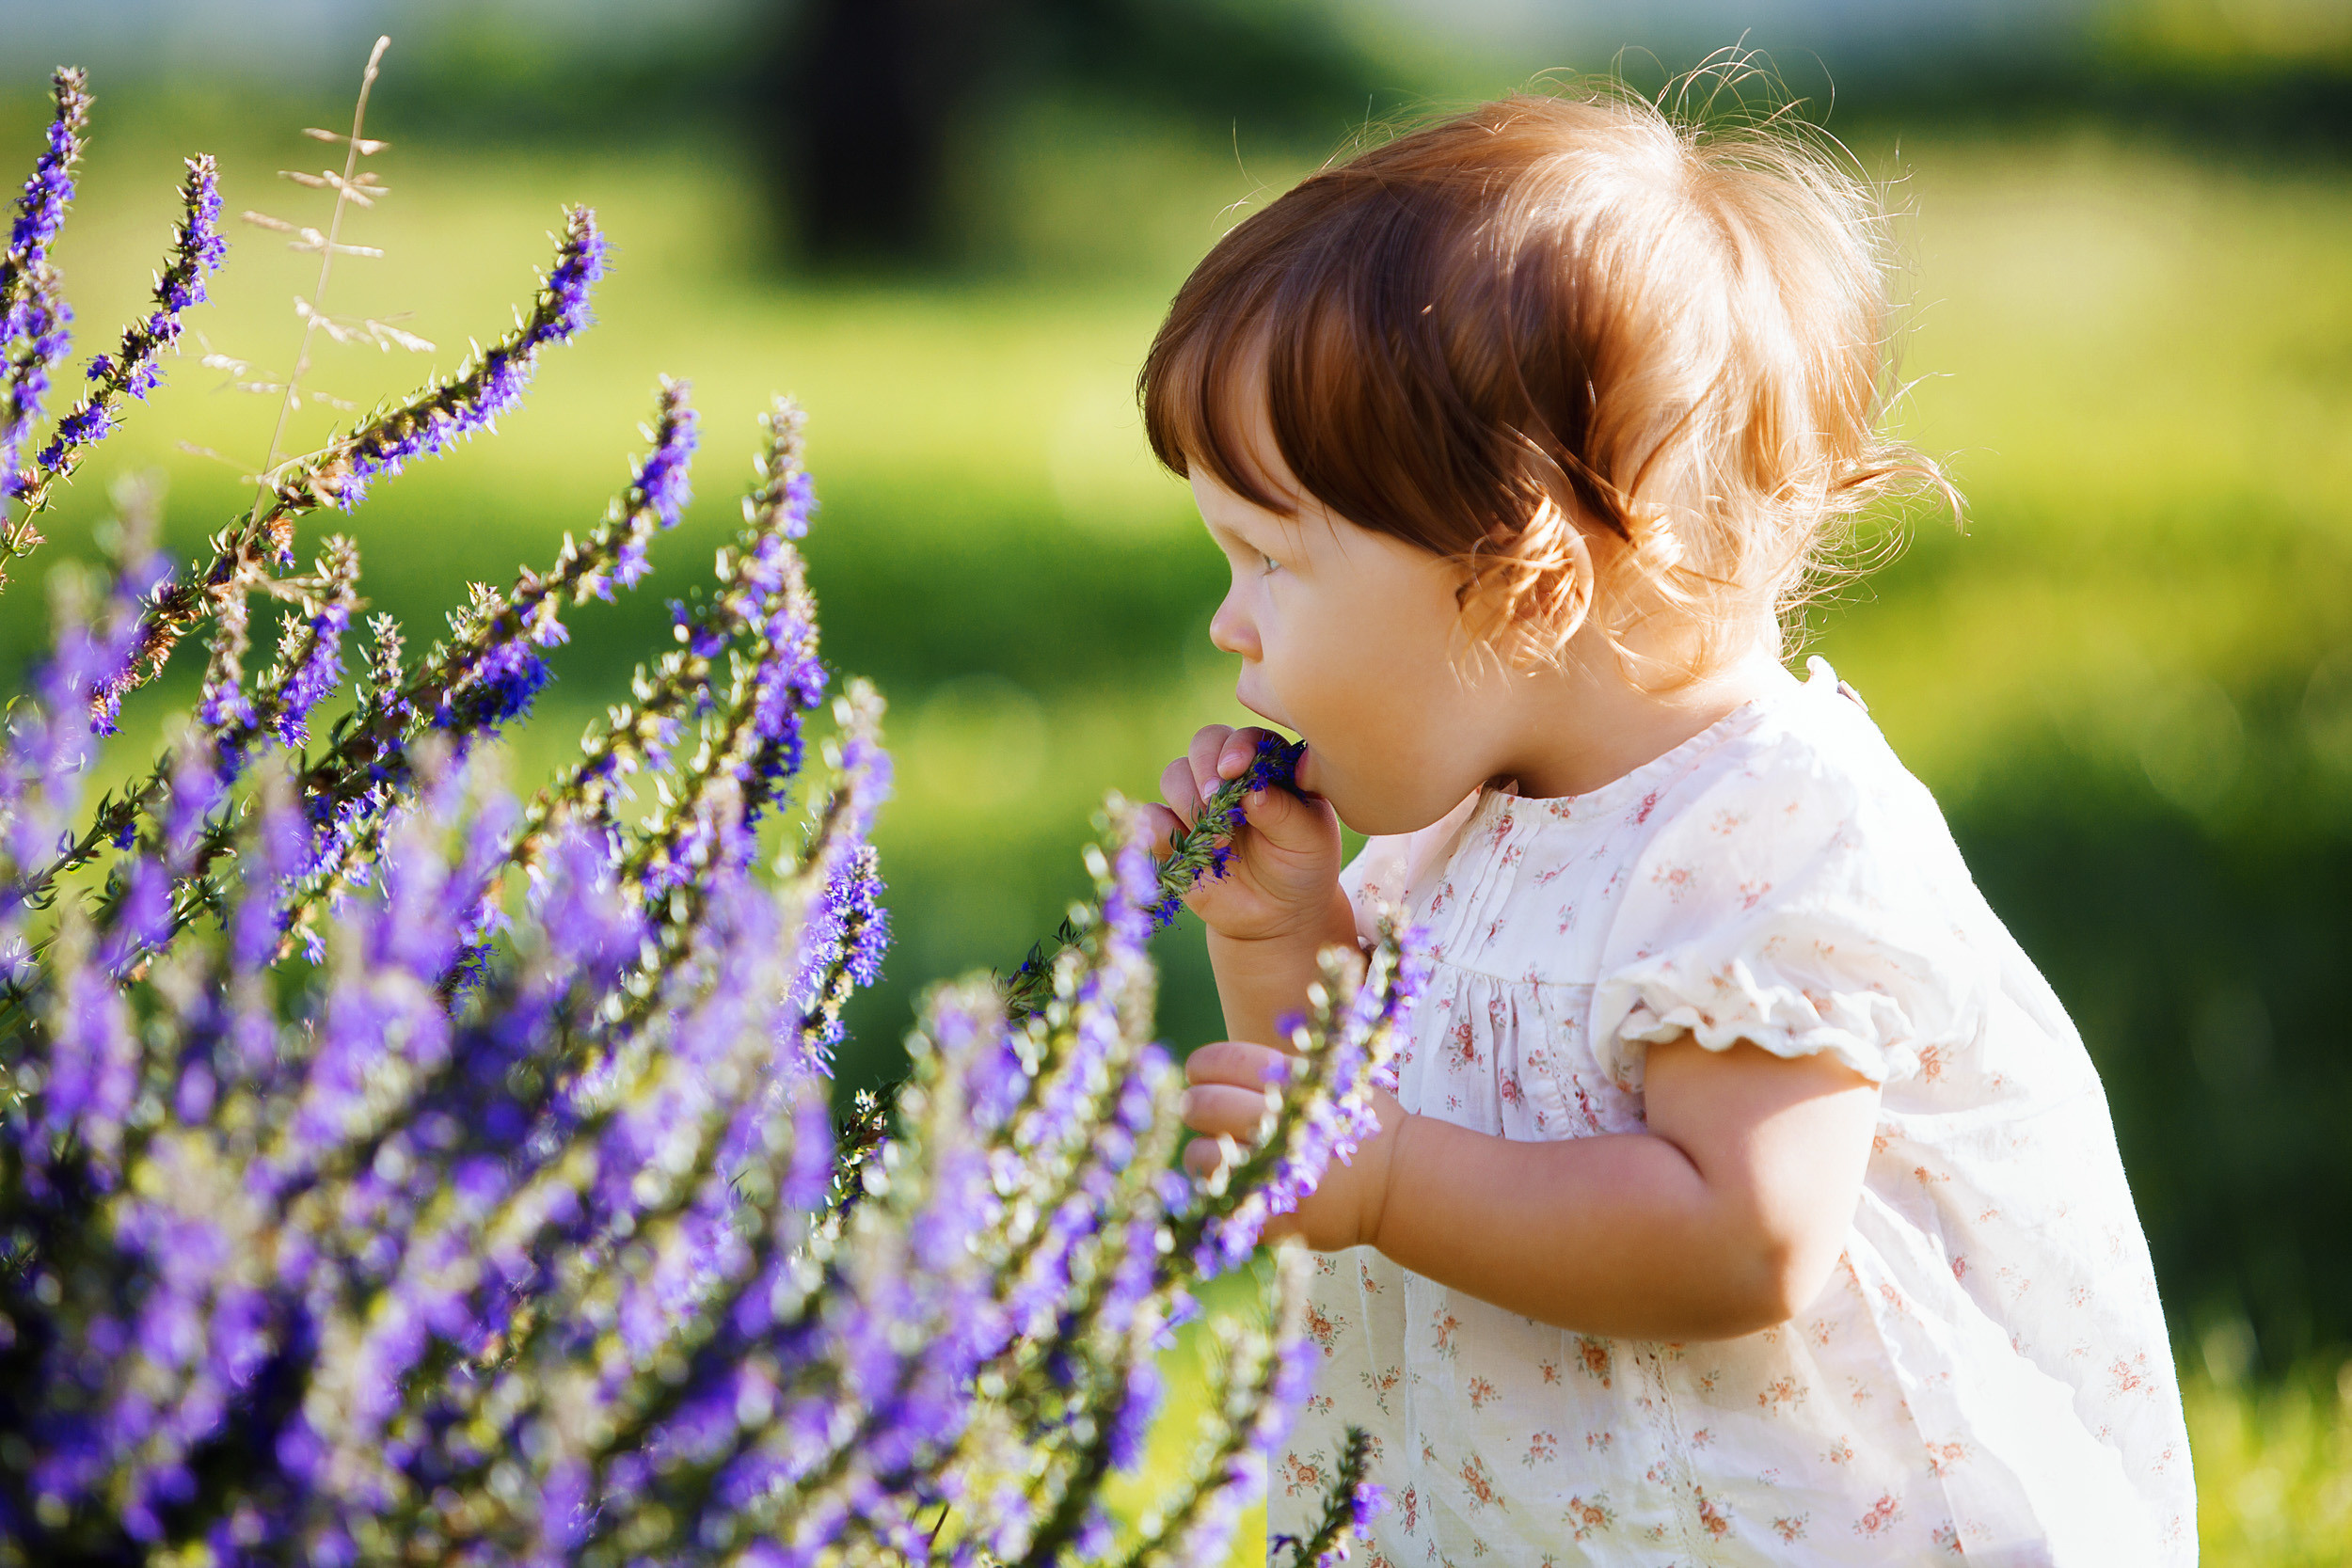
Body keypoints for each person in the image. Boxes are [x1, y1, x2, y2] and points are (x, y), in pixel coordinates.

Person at [1136, 83, 2194, 1564]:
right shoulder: (1465, 827)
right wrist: (1281, 935)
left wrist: (1382, 1179)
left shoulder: (1769, 836)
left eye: (1266, 560)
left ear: (1523, 582)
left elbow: (1743, 1232)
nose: (1227, 627)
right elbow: (1354, 1087)